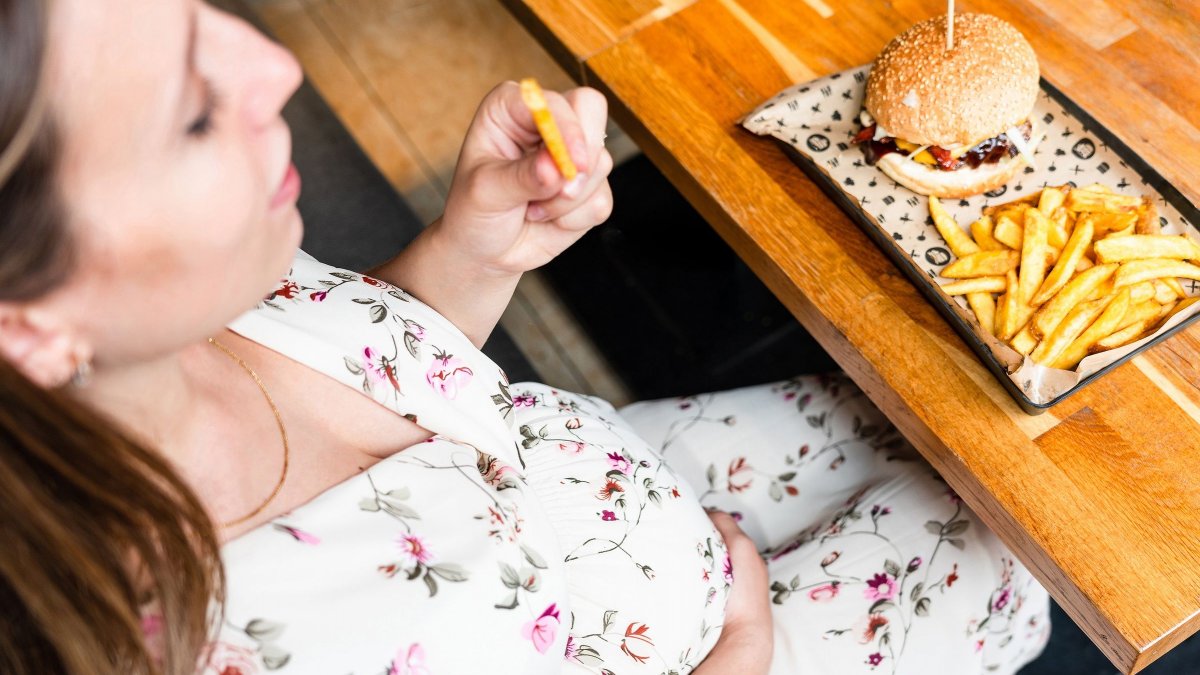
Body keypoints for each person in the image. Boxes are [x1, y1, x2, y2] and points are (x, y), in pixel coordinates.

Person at [0, 0, 1051, 674]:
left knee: (943, 413)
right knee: (1026, 546)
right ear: (32, 324)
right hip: (728, 648)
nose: (276, 66)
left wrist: (472, 251)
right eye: (189, 109)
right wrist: (743, 654)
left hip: (605, 481)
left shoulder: (189, 294)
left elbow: (374, 364)